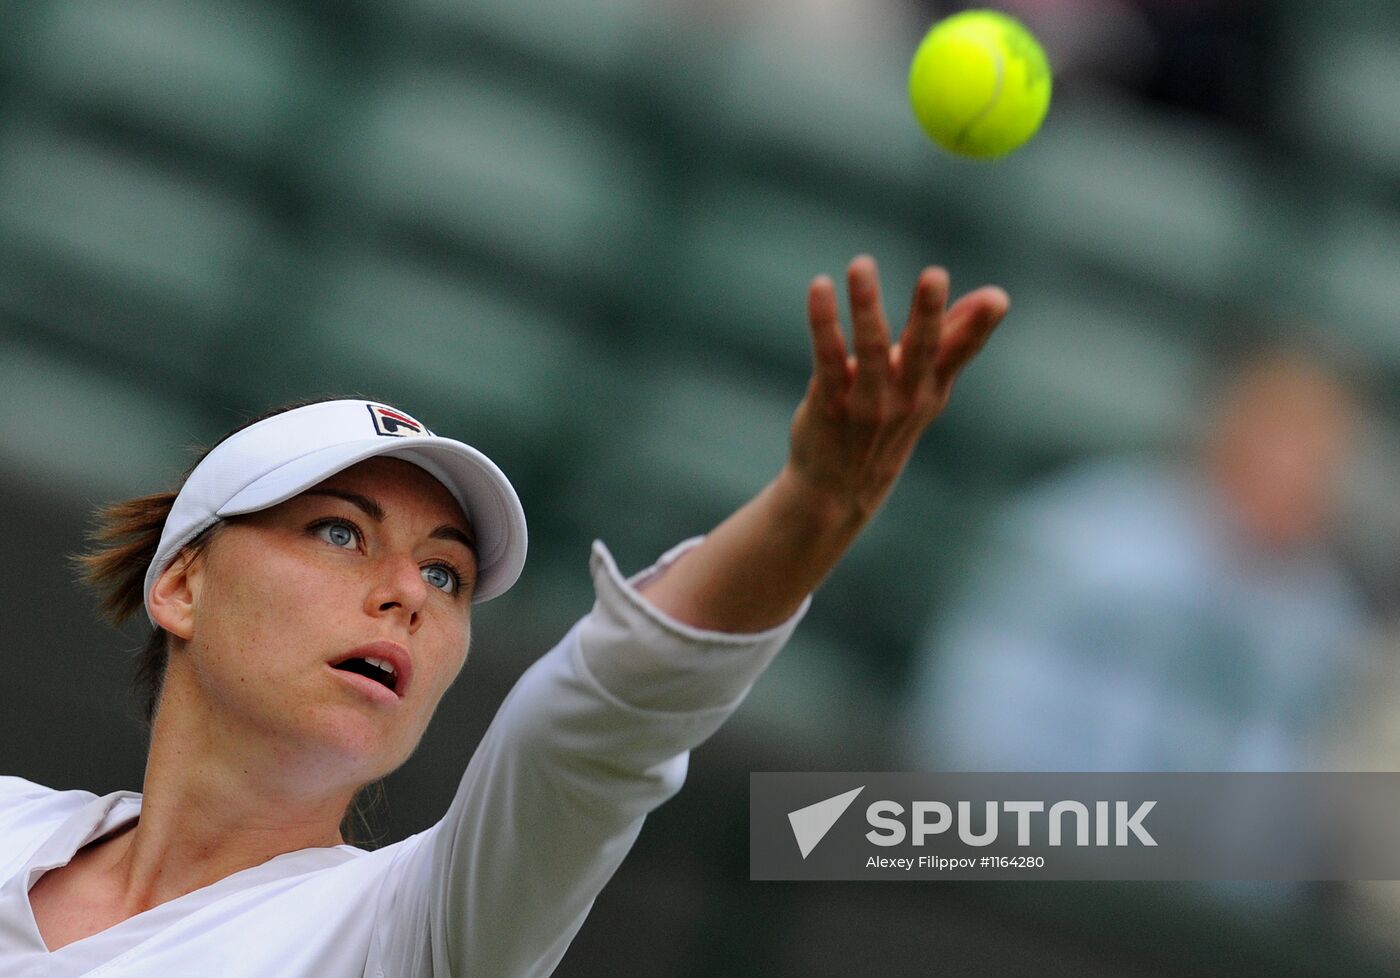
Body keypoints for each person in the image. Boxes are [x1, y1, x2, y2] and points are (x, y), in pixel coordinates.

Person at [0, 255, 1008, 977]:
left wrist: (810, 509)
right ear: (182, 584)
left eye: (446, 576)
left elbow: (592, 726)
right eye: (340, 533)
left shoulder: (407, 937)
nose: (406, 595)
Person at [901, 347, 1369, 775]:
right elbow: (972, 716)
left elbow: (1287, 807)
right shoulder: (1083, 537)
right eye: (1283, 434)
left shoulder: (1326, 620)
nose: (1298, 466)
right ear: (1224, 423)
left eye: (1321, 447)